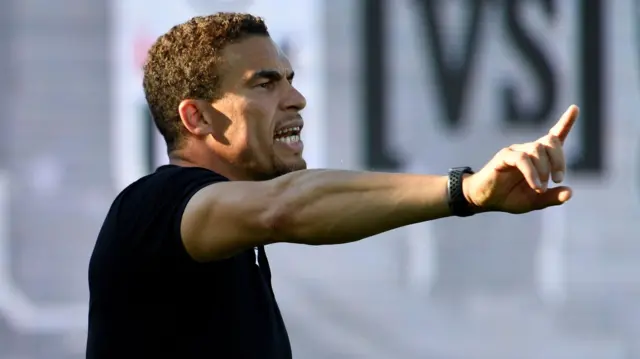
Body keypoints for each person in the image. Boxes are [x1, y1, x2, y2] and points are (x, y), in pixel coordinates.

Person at [86, 12, 578, 359]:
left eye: (291, 78)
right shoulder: (151, 208)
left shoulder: (235, 249)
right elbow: (287, 207)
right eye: (265, 83)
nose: (296, 98)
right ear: (196, 117)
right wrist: (465, 191)